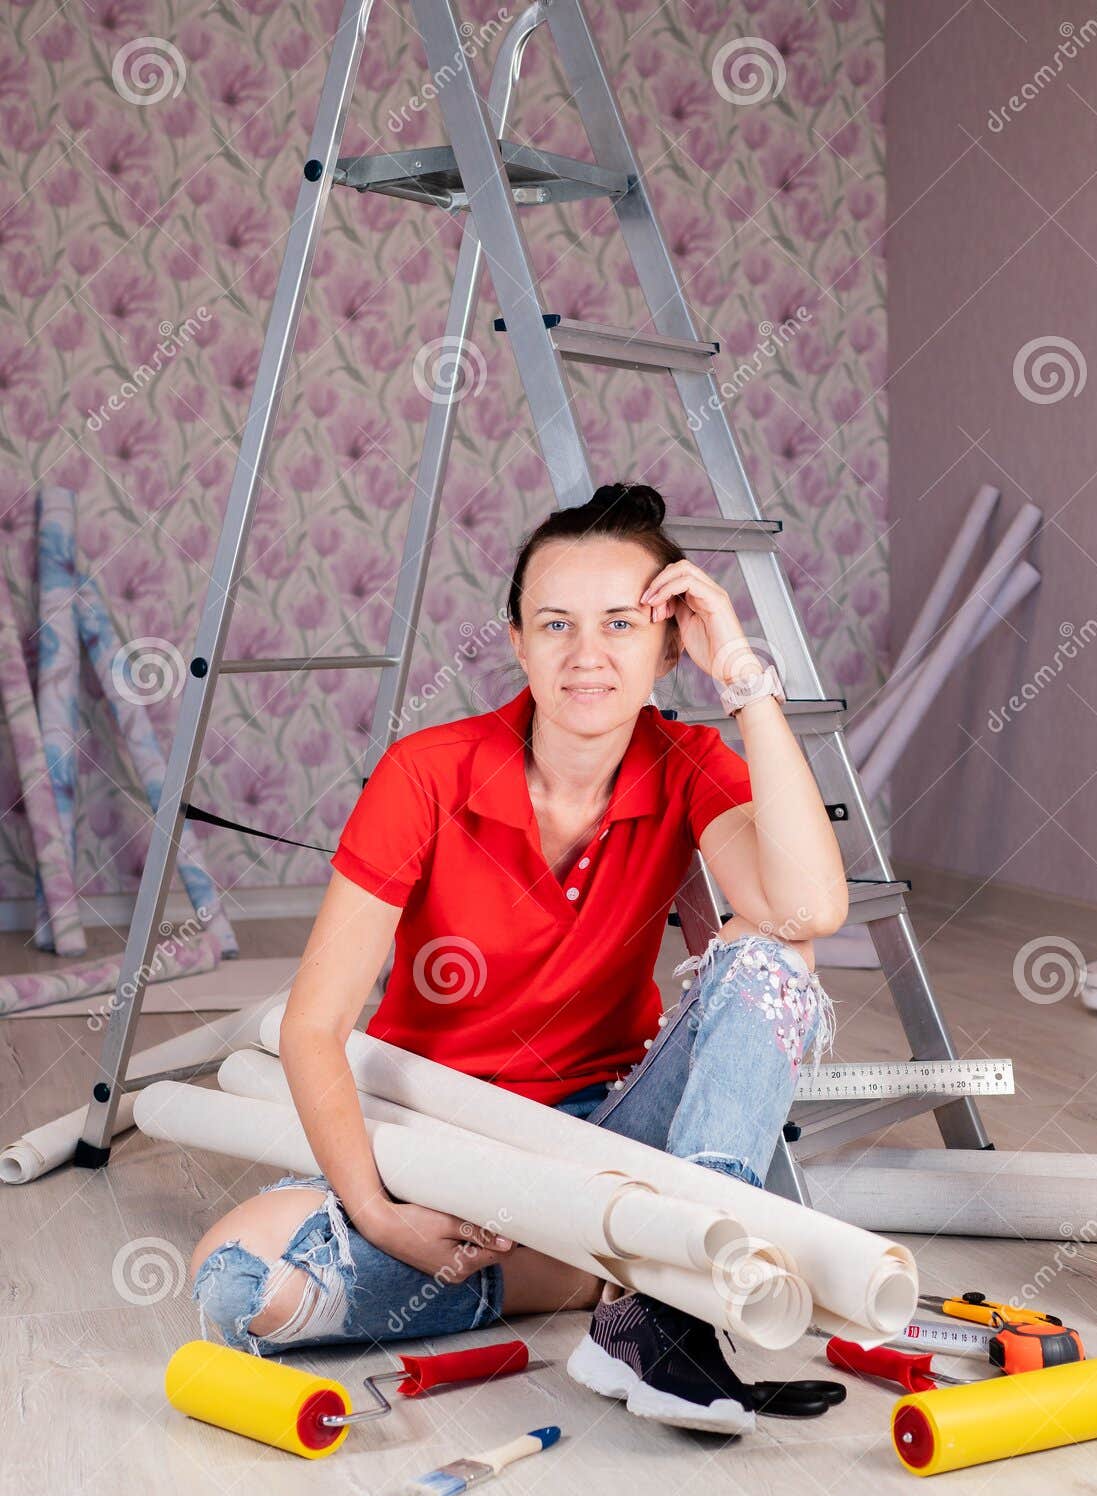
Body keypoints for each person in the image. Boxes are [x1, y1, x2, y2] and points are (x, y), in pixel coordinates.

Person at [189, 482, 849, 1434]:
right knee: (237, 1286)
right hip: (445, 1148)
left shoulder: (687, 760)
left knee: (774, 957)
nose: (588, 656)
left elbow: (808, 908)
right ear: (517, 642)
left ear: (670, 644)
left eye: (622, 624)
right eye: (556, 625)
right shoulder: (429, 771)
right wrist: (381, 1215)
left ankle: (675, 1304)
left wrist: (742, 675)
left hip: (609, 1136)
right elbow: (314, 1024)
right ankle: (596, 1278)